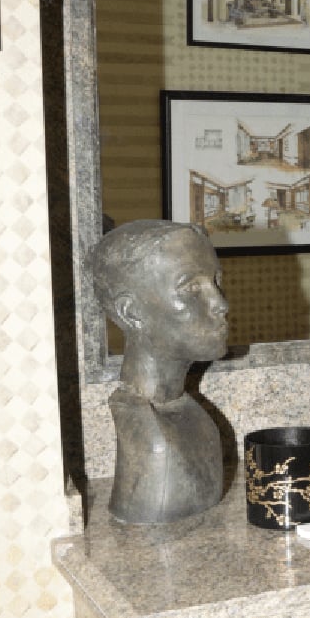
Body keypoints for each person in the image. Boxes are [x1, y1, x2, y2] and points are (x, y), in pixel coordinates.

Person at [89, 220, 230, 524]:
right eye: (191, 287)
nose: (220, 303)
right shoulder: (145, 429)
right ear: (132, 313)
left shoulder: (192, 413)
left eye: (216, 280)